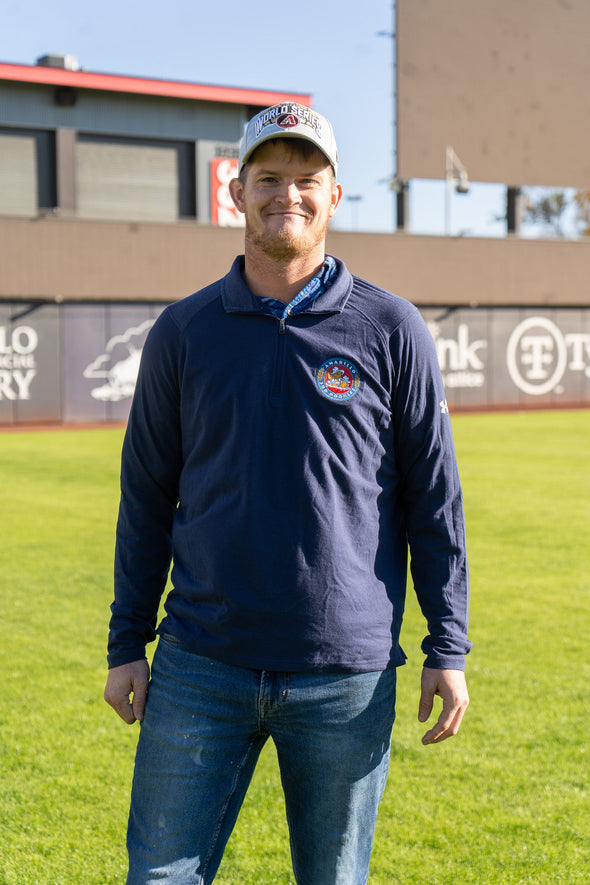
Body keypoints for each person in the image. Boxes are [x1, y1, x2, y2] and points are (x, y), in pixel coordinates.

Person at [104, 101, 471, 885]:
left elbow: (433, 498)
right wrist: (125, 642)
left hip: (345, 672)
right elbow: (146, 496)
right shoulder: (184, 330)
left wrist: (449, 642)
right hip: (201, 664)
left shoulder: (392, 328)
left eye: (307, 178)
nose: (288, 194)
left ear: (336, 195)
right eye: (268, 177)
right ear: (237, 193)